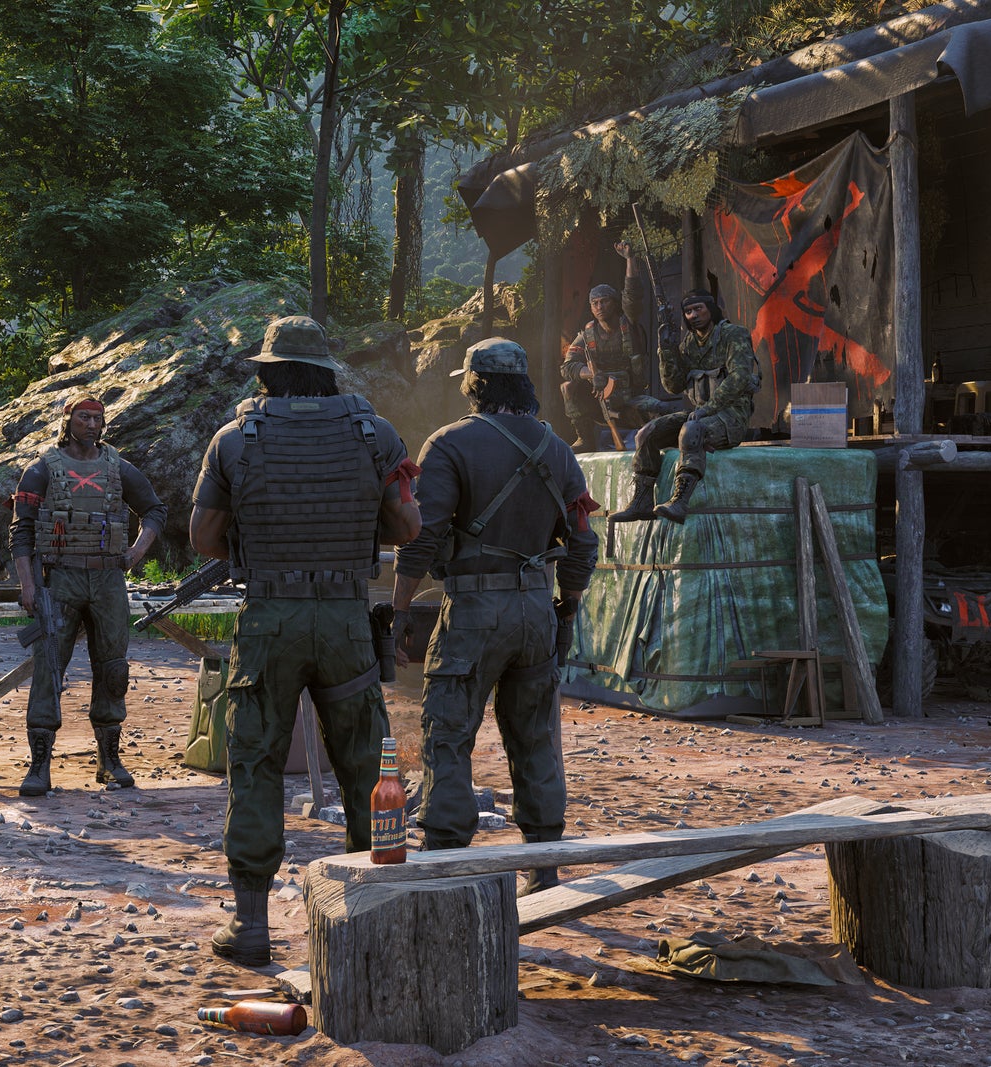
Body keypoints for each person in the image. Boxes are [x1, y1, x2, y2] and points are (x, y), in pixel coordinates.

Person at [189, 316, 422, 966]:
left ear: (268, 371)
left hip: (269, 620)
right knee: (367, 765)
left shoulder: (235, 438)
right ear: (325, 371)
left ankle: (251, 924)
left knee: (256, 763)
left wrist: (261, 543)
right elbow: (408, 526)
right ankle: (372, 917)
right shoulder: (375, 433)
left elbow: (204, 536)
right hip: (345, 618)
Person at [390, 337, 598, 895]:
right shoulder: (558, 449)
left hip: (474, 611)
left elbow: (422, 536)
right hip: (537, 608)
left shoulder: (450, 443)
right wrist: (567, 610)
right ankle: (544, 867)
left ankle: (445, 864)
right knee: (535, 735)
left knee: (448, 730)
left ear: (473, 384)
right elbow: (582, 543)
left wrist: (401, 609)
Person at [9, 396, 168, 797]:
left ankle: (109, 761)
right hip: (60, 579)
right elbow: (21, 531)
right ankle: (39, 766)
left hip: (108, 579)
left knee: (114, 669)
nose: (92, 424)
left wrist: (136, 552)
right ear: (68, 421)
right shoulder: (41, 469)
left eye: (98, 418)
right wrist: (28, 585)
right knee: (48, 668)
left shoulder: (118, 467)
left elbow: (154, 510)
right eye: (84, 417)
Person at [609, 288, 760, 524]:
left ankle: (680, 502)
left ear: (711, 309)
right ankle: (641, 503)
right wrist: (666, 350)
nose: (693, 315)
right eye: (688, 311)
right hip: (700, 415)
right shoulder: (689, 344)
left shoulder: (733, 335)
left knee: (691, 431)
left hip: (731, 417)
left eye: (698, 308)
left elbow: (739, 378)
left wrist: (706, 410)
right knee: (646, 433)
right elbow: (673, 385)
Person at [560, 243, 652, 451]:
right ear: (591, 308)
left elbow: (633, 295)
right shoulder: (586, 335)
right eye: (595, 303)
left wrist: (630, 259)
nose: (600, 307)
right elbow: (567, 367)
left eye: (604, 301)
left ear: (615, 303)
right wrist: (591, 374)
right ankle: (584, 438)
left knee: (661, 411)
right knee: (567, 387)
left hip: (632, 399)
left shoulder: (628, 324)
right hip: (601, 402)